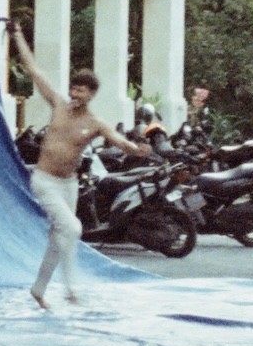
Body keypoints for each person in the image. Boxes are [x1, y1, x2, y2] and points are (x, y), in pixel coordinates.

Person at [8, 24, 151, 309]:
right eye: (72, 88)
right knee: (72, 228)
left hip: (68, 185)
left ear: (92, 94)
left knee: (59, 236)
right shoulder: (58, 105)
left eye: (80, 90)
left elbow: (118, 140)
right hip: (44, 180)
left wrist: (136, 149)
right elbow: (34, 70)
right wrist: (17, 35)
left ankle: (39, 289)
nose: (74, 93)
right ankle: (72, 288)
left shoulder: (95, 123)